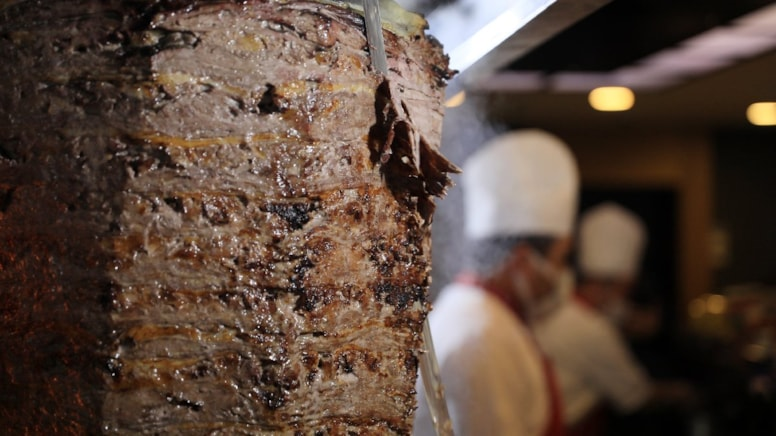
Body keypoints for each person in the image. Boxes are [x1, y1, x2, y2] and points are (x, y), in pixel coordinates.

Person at [413, 129, 578, 436]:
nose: (560, 274)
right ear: (523, 260)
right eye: (559, 258)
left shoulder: (474, 311)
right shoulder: (483, 336)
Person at [533, 202, 696, 436]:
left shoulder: (560, 302)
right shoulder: (594, 330)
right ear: (616, 285)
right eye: (627, 288)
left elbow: (623, 316)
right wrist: (684, 393)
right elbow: (637, 396)